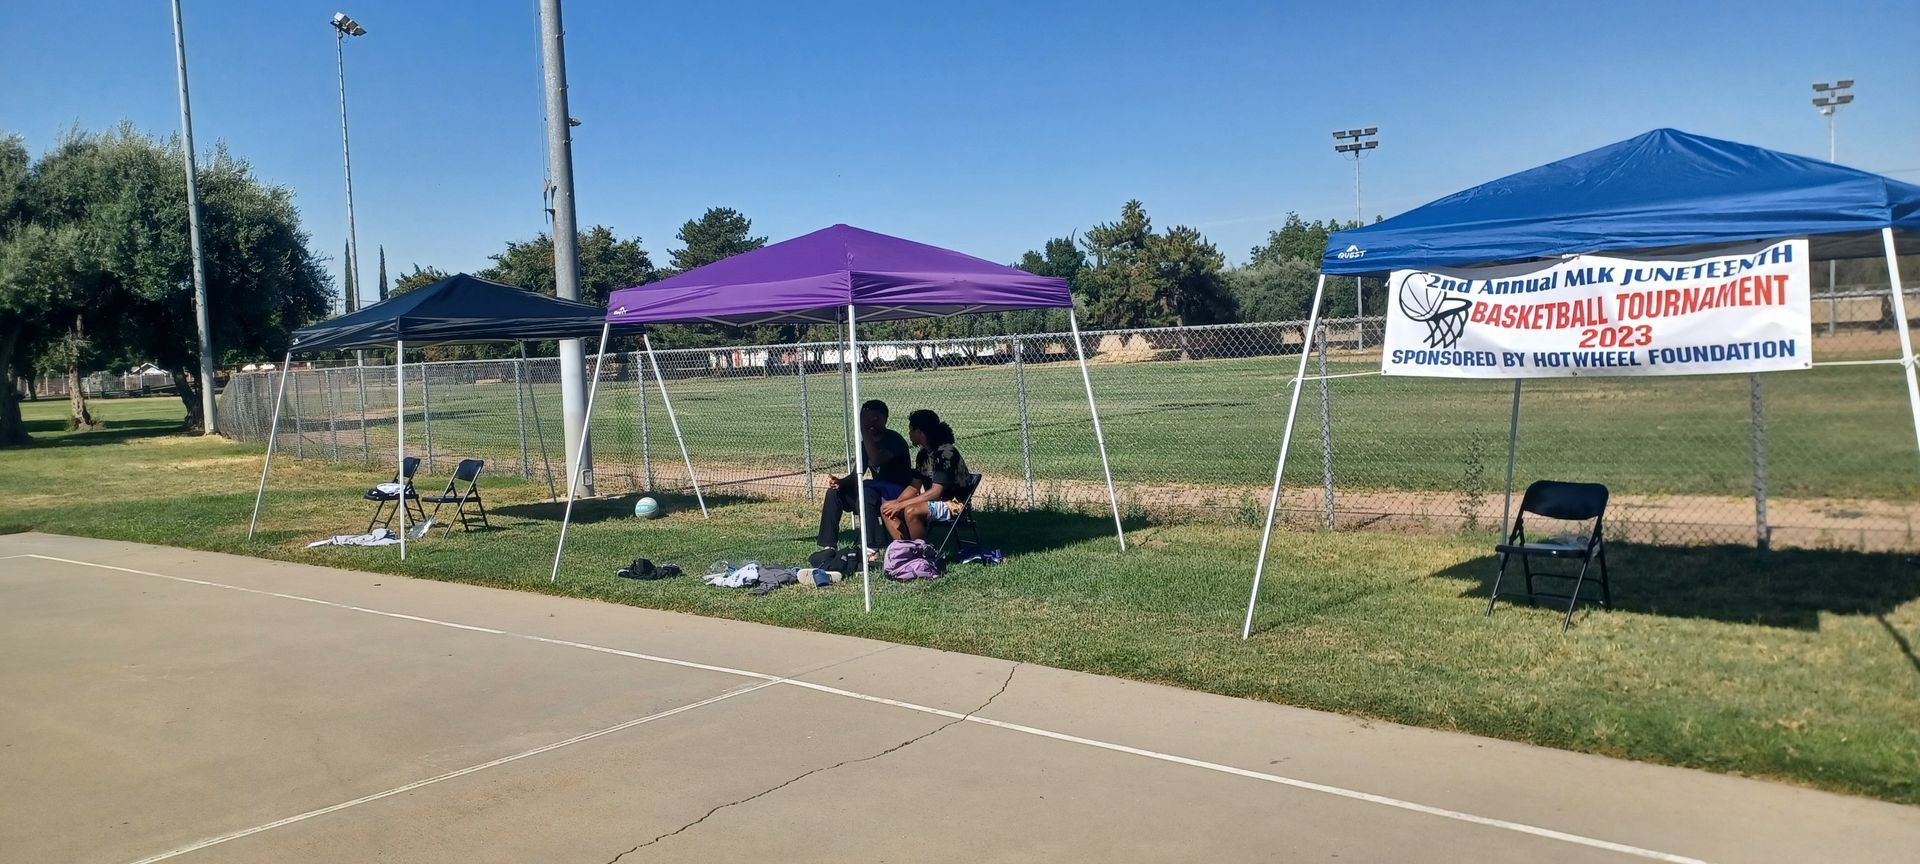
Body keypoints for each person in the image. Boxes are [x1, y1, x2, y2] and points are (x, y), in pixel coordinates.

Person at [817, 399, 914, 553]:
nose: (871, 423)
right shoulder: (865, 444)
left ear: (885, 419)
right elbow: (857, 475)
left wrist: (863, 431)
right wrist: (840, 483)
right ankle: (828, 545)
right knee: (833, 494)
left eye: (876, 419)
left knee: (866, 492)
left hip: (898, 493)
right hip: (875, 492)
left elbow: (876, 459)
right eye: (867, 418)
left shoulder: (894, 440)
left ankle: (870, 546)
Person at [882, 409, 973, 542]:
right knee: (886, 509)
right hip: (934, 502)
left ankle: (920, 553)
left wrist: (901, 505)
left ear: (919, 432)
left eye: (911, 430)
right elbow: (914, 487)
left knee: (910, 510)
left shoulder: (946, 453)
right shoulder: (923, 455)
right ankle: (906, 549)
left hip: (953, 504)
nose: (909, 434)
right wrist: (896, 503)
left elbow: (936, 492)